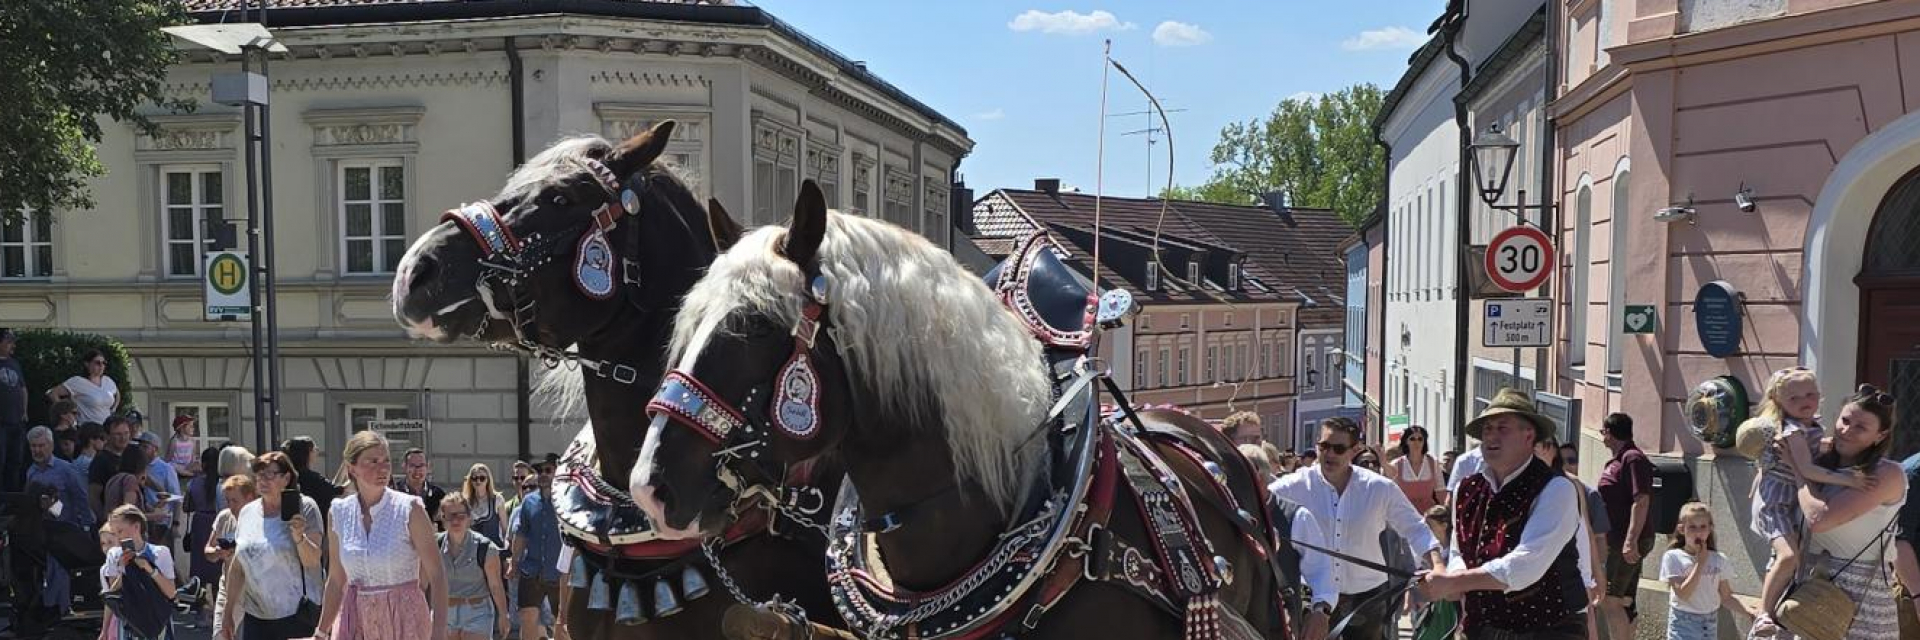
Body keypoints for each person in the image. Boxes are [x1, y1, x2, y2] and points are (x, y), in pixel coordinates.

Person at [1417, 388, 1585, 640]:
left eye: (1502, 428)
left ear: (1529, 435)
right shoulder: (1466, 488)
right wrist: (1450, 576)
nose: (1491, 436)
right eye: (1487, 429)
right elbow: (1458, 551)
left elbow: (1524, 566)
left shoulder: (1555, 489)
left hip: (1548, 630)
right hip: (1481, 628)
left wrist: (1456, 582)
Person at [1752, 385, 1904, 640]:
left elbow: (1818, 519)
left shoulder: (1887, 474)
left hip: (1858, 601)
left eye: (1861, 427)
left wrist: (1798, 469)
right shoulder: (1817, 457)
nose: (1846, 430)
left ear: (1880, 436)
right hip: (1799, 595)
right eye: (1845, 420)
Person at [1270, 417, 1443, 640]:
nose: (1329, 454)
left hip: (1368, 597)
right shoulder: (1293, 486)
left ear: (1354, 451)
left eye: (1339, 449)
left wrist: (1437, 565)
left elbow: (1416, 528)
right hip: (1312, 596)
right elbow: (1258, 503)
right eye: (1324, 446)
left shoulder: (1379, 488)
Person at [1746, 368, 1870, 628]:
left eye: (1811, 394)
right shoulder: (1792, 430)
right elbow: (1807, 469)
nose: (1805, 401)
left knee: (1796, 556)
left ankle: (1780, 605)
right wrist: (1849, 479)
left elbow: (1815, 450)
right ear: (1779, 402)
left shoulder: (1811, 425)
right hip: (1776, 503)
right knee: (1788, 556)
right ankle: (1763, 613)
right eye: (1794, 398)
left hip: (1789, 499)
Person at [318, 430, 447, 640]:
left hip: (405, 621)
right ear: (352, 468)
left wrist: (439, 631)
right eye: (373, 461)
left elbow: (437, 574)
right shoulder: (339, 512)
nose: (384, 468)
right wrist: (320, 633)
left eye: (387, 460)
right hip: (356, 622)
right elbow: (336, 580)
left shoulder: (409, 509)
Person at [220, 452, 324, 640]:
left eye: (269, 474)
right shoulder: (247, 512)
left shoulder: (305, 507)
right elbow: (238, 567)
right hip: (256, 616)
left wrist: (299, 537)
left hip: (296, 615)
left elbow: (313, 561)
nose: (262, 480)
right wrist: (227, 614)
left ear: (286, 478)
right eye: (259, 475)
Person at [26, 425, 94, 625]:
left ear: (51, 446)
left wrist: (87, 529)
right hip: (41, 533)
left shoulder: (66, 469)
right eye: (33, 447)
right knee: (45, 573)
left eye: (41, 446)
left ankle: (64, 613)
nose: (37, 451)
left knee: (63, 573)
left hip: (66, 532)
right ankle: (49, 612)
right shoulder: (30, 472)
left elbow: (82, 498)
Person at [1596, 412, 1654, 634]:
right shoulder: (1619, 459)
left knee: (1611, 599)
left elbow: (1641, 500)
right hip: (1617, 538)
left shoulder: (1632, 458)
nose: (1603, 437)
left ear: (1609, 433)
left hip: (1625, 540)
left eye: (1603, 432)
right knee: (1625, 600)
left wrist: (1630, 541)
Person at [1661, 503, 1751, 640]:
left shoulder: (1718, 559)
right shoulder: (1673, 557)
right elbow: (1683, 594)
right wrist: (1700, 563)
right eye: (1692, 527)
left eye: (1703, 527)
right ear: (1681, 529)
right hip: (1684, 624)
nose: (1698, 532)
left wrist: (1750, 612)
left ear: (1710, 529)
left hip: (1709, 624)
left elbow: (1726, 596)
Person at [437, 493, 510, 640]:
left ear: (469, 518)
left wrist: (503, 615)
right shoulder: (434, 545)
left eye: (461, 516)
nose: (456, 521)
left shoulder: (485, 547)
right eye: (451, 516)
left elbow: (496, 586)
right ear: (443, 519)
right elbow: (423, 582)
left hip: (477, 612)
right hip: (445, 612)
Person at [101, 504, 178, 640]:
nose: (118, 538)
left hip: (157, 620)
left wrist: (149, 569)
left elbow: (171, 593)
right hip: (129, 623)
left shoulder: (160, 553)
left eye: (120, 531)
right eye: (115, 533)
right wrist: (105, 630)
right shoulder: (114, 555)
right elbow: (113, 595)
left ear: (136, 527)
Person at [508, 457, 562, 640]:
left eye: (548, 471)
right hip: (532, 569)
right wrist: (513, 563)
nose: (543, 475)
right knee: (527, 616)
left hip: (559, 571)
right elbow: (521, 534)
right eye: (540, 471)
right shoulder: (529, 502)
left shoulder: (565, 500)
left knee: (562, 622)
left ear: (557, 473)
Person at [206, 475, 256, 639]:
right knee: (220, 635)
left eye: (235, 501)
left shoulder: (260, 519)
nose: (231, 506)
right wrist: (217, 552)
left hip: (253, 591)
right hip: (227, 587)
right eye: (227, 501)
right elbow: (208, 550)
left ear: (249, 498)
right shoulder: (224, 517)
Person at [47, 349, 119, 425]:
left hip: (107, 429)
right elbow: (53, 393)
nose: (101, 366)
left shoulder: (107, 380)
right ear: (87, 364)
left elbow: (116, 393)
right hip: (87, 429)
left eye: (104, 363)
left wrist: (114, 409)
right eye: (97, 363)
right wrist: (66, 414)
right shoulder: (77, 381)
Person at [139, 432, 183, 546]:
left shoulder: (166, 469)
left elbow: (176, 498)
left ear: (155, 449)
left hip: (161, 523)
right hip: (142, 520)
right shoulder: (138, 466)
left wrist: (175, 524)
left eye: (145, 447)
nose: (141, 450)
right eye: (140, 446)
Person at [1386, 425, 1442, 513]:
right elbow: (1389, 493)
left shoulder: (1433, 462)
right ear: (1406, 442)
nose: (1416, 442)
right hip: (1404, 514)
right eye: (1412, 439)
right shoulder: (1396, 464)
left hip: (1429, 516)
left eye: (1420, 439)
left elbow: (1441, 491)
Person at [282, 437, 339, 516]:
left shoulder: (285, 477)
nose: (317, 452)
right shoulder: (314, 479)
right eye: (315, 449)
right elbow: (337, 491)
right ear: (308, 452)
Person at [90, 416, 134, 518]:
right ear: (107, 436)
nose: (123, 438)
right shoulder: (100, 461)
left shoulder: (131, 454)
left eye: (126, 433)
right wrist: (106, 520)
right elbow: (93, 496)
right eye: (118, 434)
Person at [392, 448, 448, 527]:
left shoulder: (438, 494)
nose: (417, 470)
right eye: (412, 466)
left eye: (421, 465)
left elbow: (445, 525)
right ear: (404, 467)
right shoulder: (395, 492)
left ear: (428, 468)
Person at [1, 328, 28, 493]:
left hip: (17, 421)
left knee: (16, 461)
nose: (13, 345)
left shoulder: (14, 363)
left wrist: (24, 411)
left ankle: (12, 497)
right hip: (1, 422)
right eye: (8, 341)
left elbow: (23, 388)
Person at [460, 464, 507, 547]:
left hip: (494, 550)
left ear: (488, 480)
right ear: (470, 481)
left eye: (482, 478)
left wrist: (506, 548)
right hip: (472, 551)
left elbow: (505, 529)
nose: (478, 481)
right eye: (474, 478)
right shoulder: (465, 502)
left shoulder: (497, 499)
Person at [168, 415, 201, 482]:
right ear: (182, 428)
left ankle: (188, 473)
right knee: (172, 466)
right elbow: (168, 459)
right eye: (191, 426)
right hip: (177, 466)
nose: (193, 428)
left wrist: (193, 464)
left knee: (199, 464)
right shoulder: (174, 441)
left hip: (188, 466)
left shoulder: (192, 441)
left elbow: (193, 458)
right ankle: (189, 474)